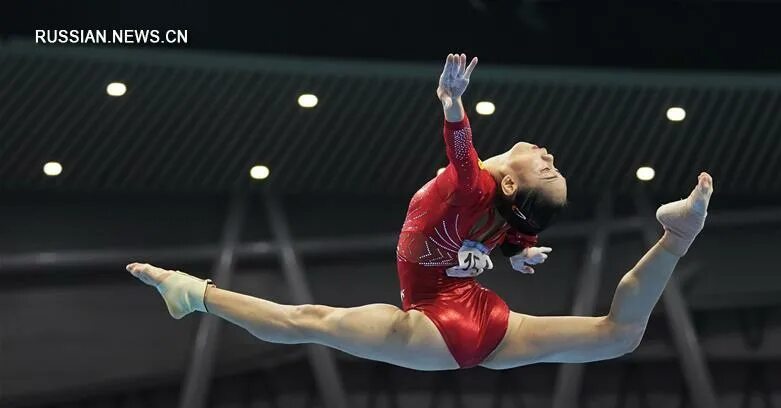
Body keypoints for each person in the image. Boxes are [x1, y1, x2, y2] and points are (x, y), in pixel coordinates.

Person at [127, 53, 714, 372]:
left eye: (547, 168)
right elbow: (494, 228)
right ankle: (676, 239)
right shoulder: (493, 209)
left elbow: (462, 159)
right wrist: (515, 248)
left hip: (434, 324)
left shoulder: (475, 185)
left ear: (510, 179)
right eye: (554, 166)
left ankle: (189, 290)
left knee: (302, 321)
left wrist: (452, 102)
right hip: (488, 322)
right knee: (620, 336)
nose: (549, 155)